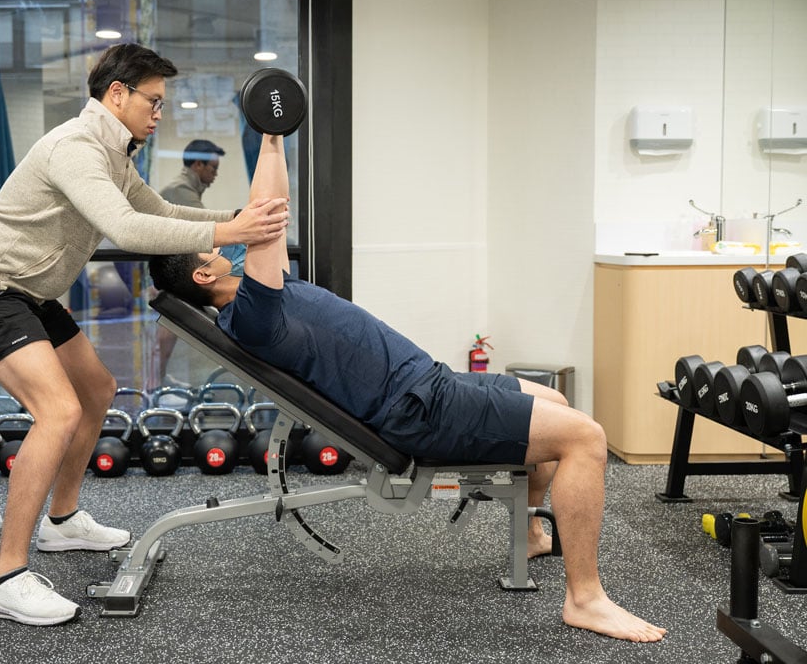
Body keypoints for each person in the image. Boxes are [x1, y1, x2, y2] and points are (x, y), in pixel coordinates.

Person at [147, 133, 666, 643]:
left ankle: (529, 533)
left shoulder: (266, 292)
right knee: (586, 438)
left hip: (431, 384)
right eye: (215, 246)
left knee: (556, 403)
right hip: (421, 409)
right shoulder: (253, 316)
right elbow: (264, 216)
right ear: (204, 275)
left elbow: (272, 212)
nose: (229, 239)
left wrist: (274, 137)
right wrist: (268, 135)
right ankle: (585, 599)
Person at [0, 43, 288, 627]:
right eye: (153, 101)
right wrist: (228, 232)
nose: (158, 114)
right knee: (58, 411)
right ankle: (3, 578)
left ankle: (61, 521)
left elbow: (161, 211)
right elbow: (126, 228)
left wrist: (234, 222)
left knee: (97, 390)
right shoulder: (76, 148)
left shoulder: (115, 155)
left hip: (33, 293)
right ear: (116, 94)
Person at [154, 139, 242, 388]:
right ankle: (156, 380)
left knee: (170, 324)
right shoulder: (180, 190)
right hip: (166, 268)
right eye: (213, 168)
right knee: (169, 322)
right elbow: (205, 232)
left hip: (170, 264)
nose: (215, 174)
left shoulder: (186, 189)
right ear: (198, 165)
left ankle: (158, 377)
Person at [158, 139, 225, 208]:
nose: (216, 174)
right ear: (199, 164)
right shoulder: (181, 189)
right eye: (214, 168)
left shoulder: (184, 186)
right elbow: (203, 215)